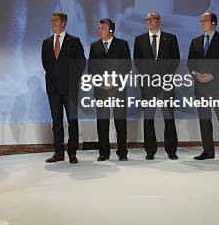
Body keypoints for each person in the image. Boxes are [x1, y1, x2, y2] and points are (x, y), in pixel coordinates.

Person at [187, 12, 219, 162]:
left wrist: (212, 75)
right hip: (201, 87)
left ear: (214, 23)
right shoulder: (195, 41)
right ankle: (208, 151)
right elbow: (190, 63)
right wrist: (196, 75)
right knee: (204, 120)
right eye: (200, 21)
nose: (201, 23)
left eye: (205, 20)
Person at [133, 11, 180, 160]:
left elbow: (176, 60)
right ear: (146, 22)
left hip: (166, 84)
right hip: (148, 84)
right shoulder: (139, 39)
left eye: (154, 18)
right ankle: (150, 150)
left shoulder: (171, 38)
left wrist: (166, 76)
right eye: (148, 19)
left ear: (159, 21)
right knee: (148, 118)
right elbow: (137, 61)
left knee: (169, 117)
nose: (151, 21)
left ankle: (171, 150)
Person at [41, 12, 86, 164]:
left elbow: (81, 64)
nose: (52, 23)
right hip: (53, 88)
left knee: (72, 121)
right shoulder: (46, 42)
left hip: (70, 88)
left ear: (64, 23)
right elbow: (46, 64)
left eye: (55, 20)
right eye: (51, 20)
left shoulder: (74, 41)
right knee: (57, 121)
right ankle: (58, 152)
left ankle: (72, 152)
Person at [88, 18, 131, 161]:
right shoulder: (94, 46)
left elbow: (127, 66)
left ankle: (122, 152)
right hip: (101, 90)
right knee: (102, 122)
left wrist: (113, 80)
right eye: (99, 28)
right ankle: (103, 153)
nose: (99, 30)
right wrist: (102, 82)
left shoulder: (122, 44)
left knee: (120, 121)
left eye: (103, 28)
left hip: (118, 89)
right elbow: (92, 69)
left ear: (111, 30)